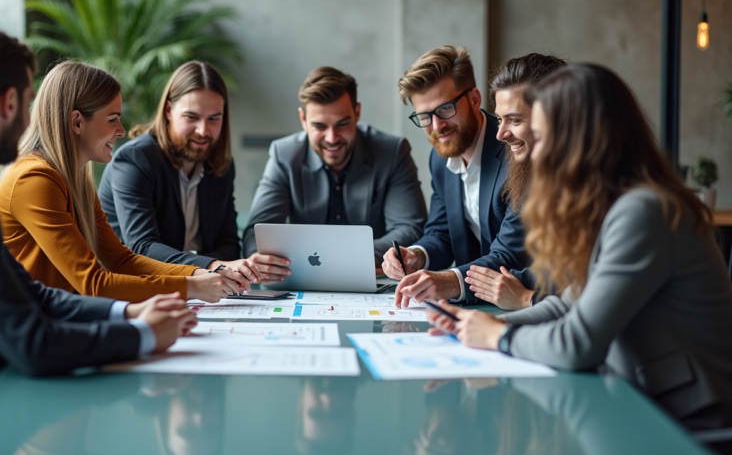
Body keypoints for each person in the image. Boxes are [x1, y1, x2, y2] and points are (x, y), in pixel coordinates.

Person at [0, 24, 195, 417]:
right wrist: (141, 335)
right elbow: (31, 343)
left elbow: (29, 293)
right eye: (28, 102)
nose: (32, 118)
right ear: (8, 103)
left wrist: (126, 312)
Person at [427, 64, 732, 430]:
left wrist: (499, 336)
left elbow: (578, 343)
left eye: (542, 136)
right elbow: (567, 302)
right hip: (642, 403)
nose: (535, 155)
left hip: (691, 425)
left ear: (582, 139)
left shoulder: (644, 212)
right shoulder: (611, 206)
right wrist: (480, 323)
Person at [0, 61, 249, 303]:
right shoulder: (34, 180)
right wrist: (192, 287)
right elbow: (94, 283)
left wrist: (197, 274)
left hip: (53, 319)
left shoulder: (75, 181)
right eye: (113, 119)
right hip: (19, 334)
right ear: (77, 122)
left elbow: (121, 259)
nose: (122, 131)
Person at [395, 53, 566, 310]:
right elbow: (441, 232)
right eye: (425, 117)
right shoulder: (440, 158)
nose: (437, 126)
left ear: (474, 100)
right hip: (504, 302)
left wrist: (450, 281)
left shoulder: (523, 154)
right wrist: (416, 255)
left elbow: (512, 254)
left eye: (445, 109)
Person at [99, 61, 290, 284]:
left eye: (214, 119)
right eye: (192, 117)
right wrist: (212, 266)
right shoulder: (134, 160)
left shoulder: (221, 165)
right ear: (169, 111)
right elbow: (142, 247)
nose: (203, 131)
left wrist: (234, 268)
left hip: (196, 288)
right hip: (132, 287)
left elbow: (228, 243)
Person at [242, 66, 427, 267]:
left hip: (377, 281)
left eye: (342, 124)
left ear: (357, 113)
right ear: (303, 120)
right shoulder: (284, 155)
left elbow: (410, 228)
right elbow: (257, 232)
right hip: (302, 281)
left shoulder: (393, 152)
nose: (332, 138)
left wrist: (331, 260)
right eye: (320, 126)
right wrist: (261, 261)